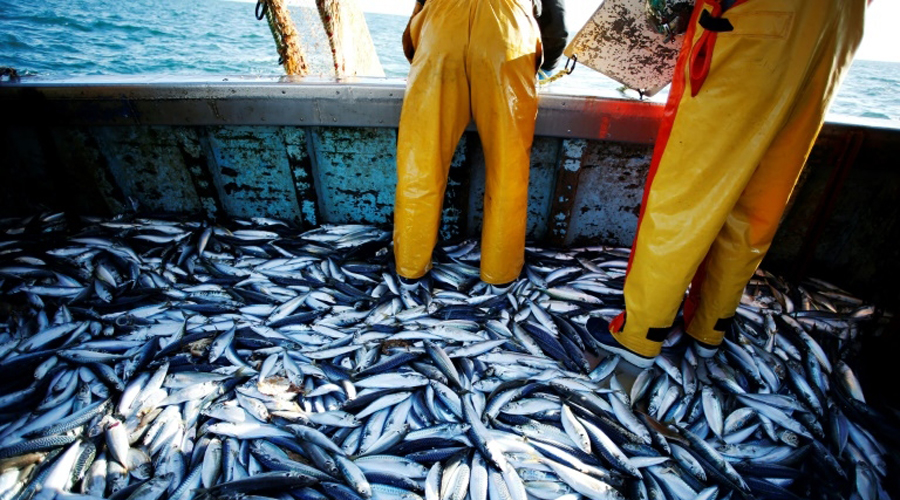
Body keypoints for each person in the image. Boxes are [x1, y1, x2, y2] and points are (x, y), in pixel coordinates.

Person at [588, 0, 866, 368]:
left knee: (685, 195)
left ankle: (640, 335)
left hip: (757, 28)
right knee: (757, 200)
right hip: (834, 35)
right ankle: (709, 328)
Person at [393, 0, 567, 291]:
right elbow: (555, 18)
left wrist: (426, 50)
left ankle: (409, 270)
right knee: (508, 170)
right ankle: (500, 277)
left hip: (441, 33)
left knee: (421, 164)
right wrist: (545, 65)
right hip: (508, 40)